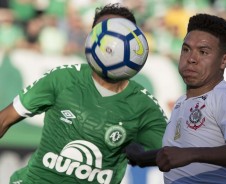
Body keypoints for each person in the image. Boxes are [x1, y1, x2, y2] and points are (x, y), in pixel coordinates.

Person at [0, 3, 167, 184]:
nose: (111, 43)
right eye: (102, 30)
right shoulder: (62, 78)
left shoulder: (144, 106)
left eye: (117, 31)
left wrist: (144, 158)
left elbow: (173, 155)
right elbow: (4, 119)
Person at [125, 13, 226, 184]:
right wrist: (141, 158)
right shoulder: (182, 102)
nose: (191, 59)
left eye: (203, 52)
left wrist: (191, 154)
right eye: (186, 49)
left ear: (224, 61)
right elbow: (176, 154)